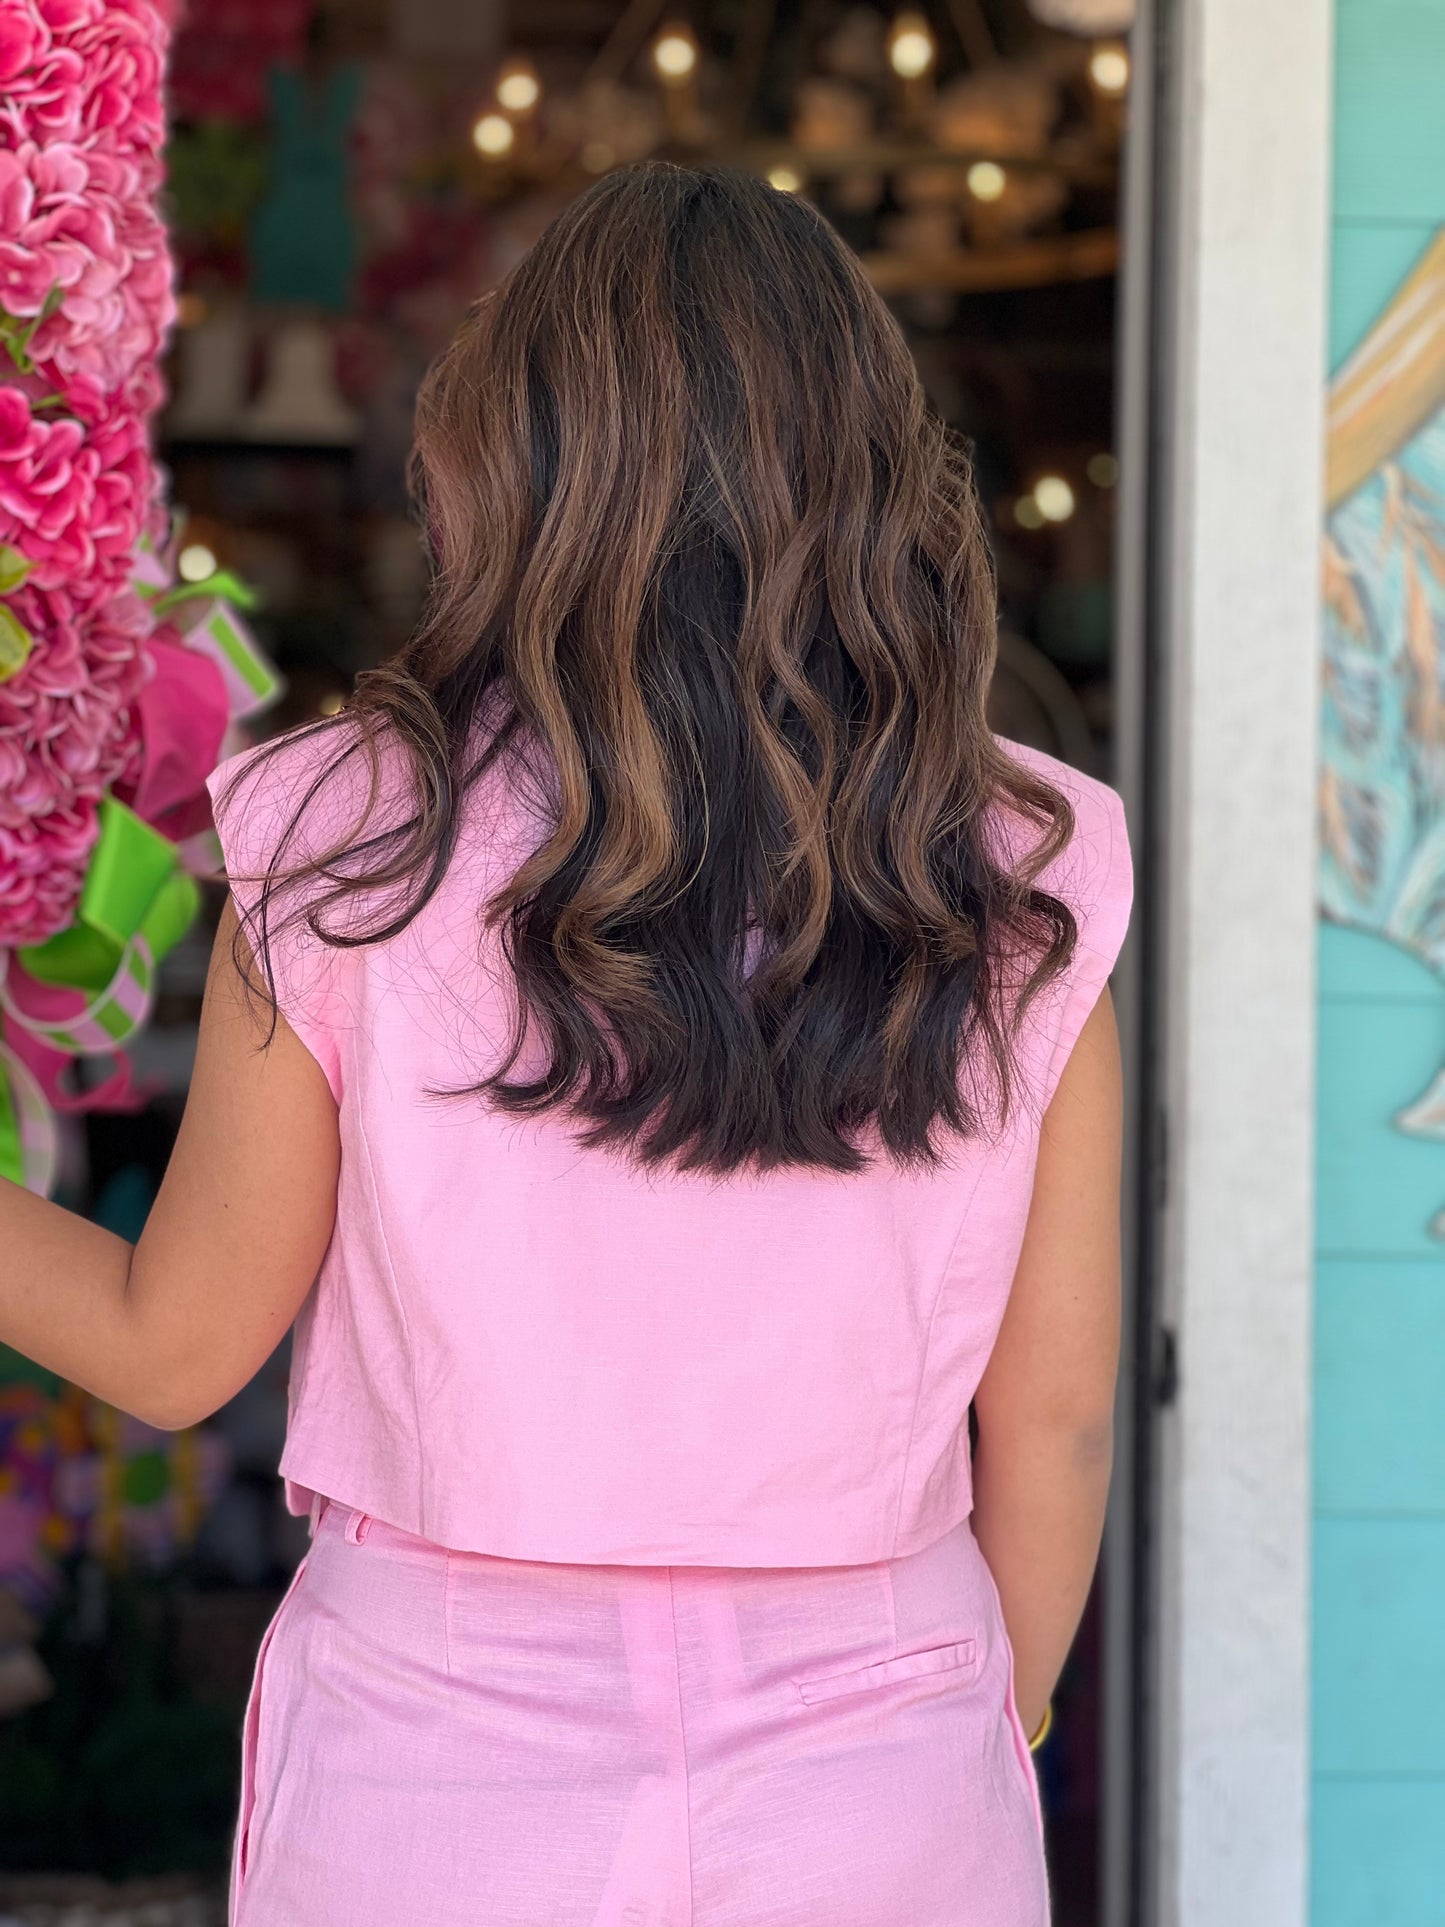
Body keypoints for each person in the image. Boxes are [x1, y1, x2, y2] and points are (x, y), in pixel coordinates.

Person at [0, 164, 1131, 1926]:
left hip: (435, 1752)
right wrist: (993, 1714)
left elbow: (174, 1349)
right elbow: (1048, 1424)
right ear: (868, 478)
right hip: (878, 1742)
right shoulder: (1013, 874)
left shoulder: (350, 841)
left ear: (503, 462)